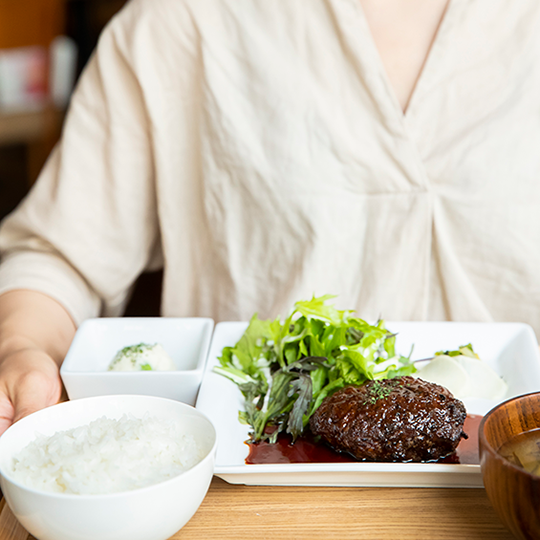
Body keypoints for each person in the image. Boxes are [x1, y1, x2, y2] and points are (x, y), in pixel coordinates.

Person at [0, 0, 539, 436]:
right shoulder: (177, 22)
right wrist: (22, 346)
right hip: (246, 487)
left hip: (515, 487)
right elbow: (57, 256)